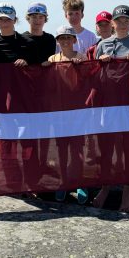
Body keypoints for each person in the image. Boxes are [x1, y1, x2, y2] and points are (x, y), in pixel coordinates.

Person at [94, 5, 129, 212]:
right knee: (107, 148)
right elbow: (94, 76)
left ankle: (127, 189)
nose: (122, 24)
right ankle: (105, 186)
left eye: (127, 20)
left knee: (127, 148)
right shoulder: (102, 45)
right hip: (107, 104)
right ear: (112, 23)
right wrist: (99, 62)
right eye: (119, 20)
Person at [48, 25, 88, 204]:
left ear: (74, 40)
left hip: (77, 110)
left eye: (68, 38)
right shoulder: (52, 58)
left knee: (78, 147)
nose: (65, 41)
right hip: (58, 111)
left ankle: (80, 181)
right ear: (58, 41)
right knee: (61, 148)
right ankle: (63, 181)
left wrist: (82, 67)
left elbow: (88, 80)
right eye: (61, 38)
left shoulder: (81, 57)